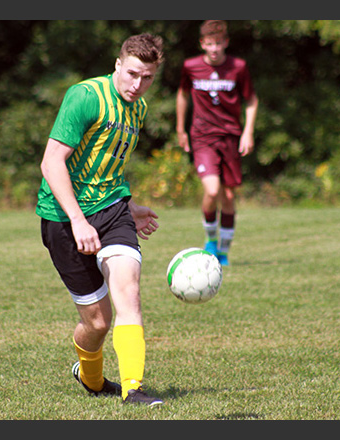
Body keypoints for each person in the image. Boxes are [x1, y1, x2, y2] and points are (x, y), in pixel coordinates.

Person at [36, 33, 165, 406]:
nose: (138, 85)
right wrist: (78, 221)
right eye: (133, 74)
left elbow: (108, 166)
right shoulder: (86, 97)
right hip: (64, 218)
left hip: (111, 212)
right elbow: (51, 162)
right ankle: (90, 379)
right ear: (118, 65)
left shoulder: (137, 109)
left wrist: (129, 206)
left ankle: (133, 389)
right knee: (97, 323)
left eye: (148, 78)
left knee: (129, 291)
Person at [176, 20, 259, 266]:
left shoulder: (238, 67)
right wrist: (181, 129)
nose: (214, 49)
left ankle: (223, 251)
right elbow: (182, 94)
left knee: (229, 198)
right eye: (209, 44)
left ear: (226, 43)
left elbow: (252, 100)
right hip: (202, 137)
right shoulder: (190, 66)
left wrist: (248, 132)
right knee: (212, 190)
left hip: (231, 137)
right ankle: (210, 241)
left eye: (218, 43)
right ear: (202, 44)